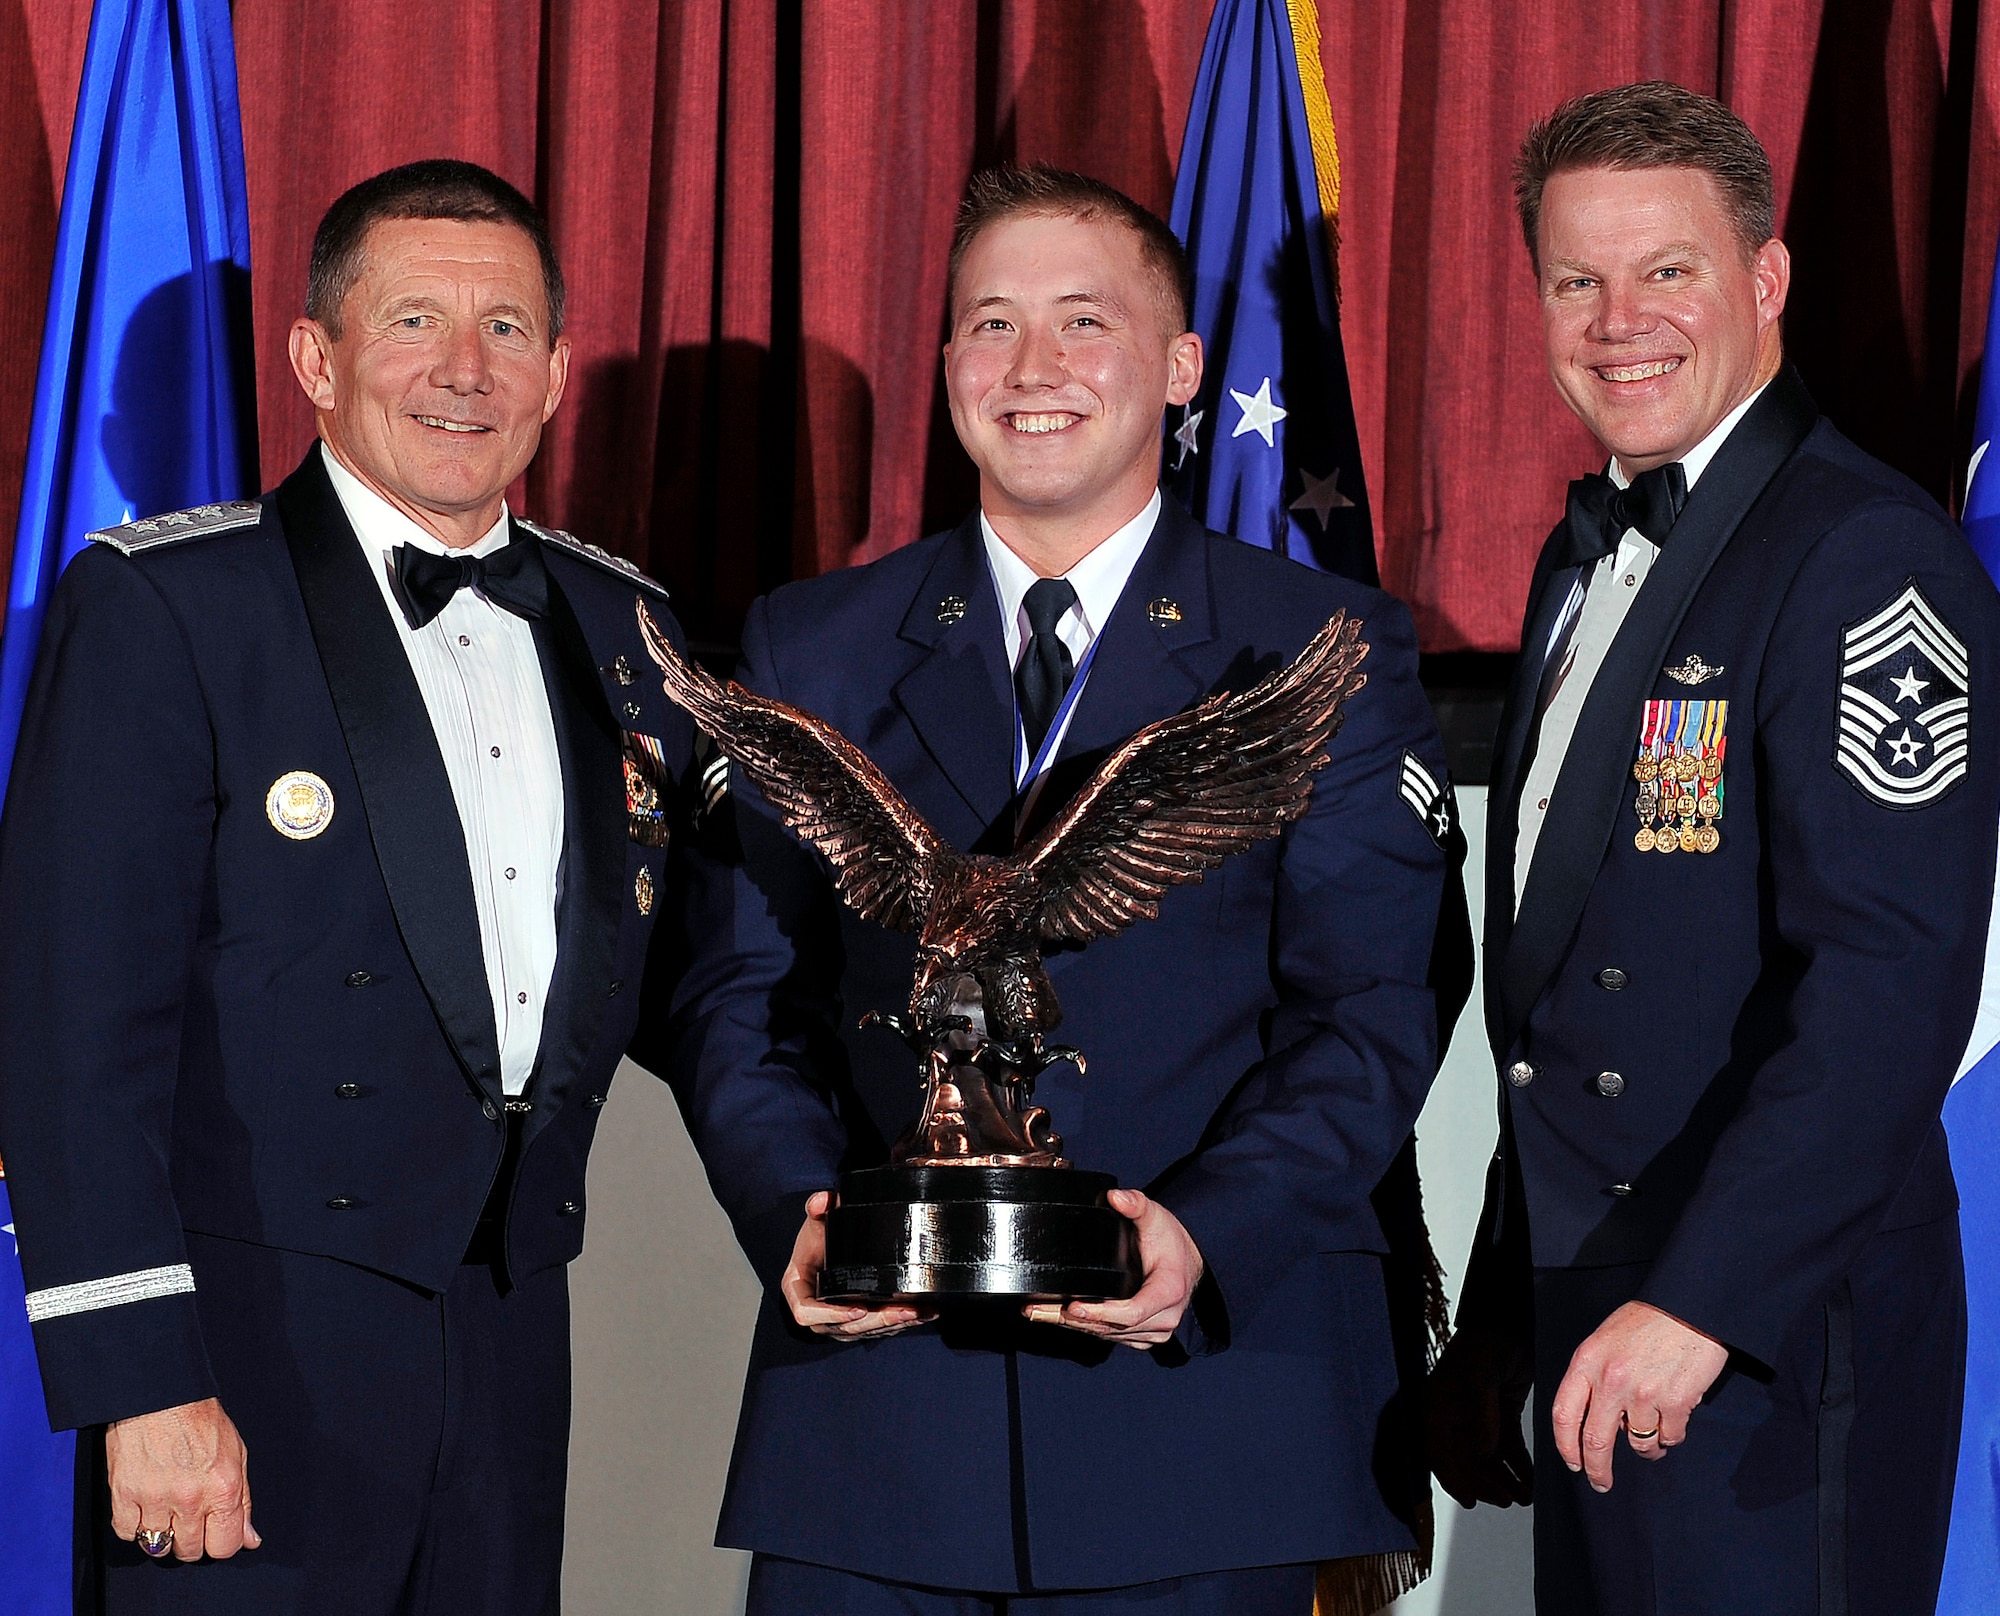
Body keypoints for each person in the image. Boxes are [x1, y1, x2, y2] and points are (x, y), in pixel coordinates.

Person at [652, 164, 1468, 1616]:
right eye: (990, 324)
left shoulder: (1312, 648)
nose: (1033, 370)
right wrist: (802, 1215)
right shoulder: (808, 644)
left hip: (1208, 1422)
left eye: (1083, 323)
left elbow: (1371, 1011)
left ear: (1179, 365)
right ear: (950, 364)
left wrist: (1207, 1230)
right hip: (878, 1435)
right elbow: (737, 998)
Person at [0, 159, 693, 1615]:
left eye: (507, 329)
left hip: (511, 1345)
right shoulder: (168, 608)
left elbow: (697, 978)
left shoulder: (627, 627)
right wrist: (143, 1385)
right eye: (413, 322)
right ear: (317, 359)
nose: (463, 370)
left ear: (561, 372)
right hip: (243, 1358)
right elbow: (72, 1041)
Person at [1427, 81, 2000, 1615]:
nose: (1620, 322)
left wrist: (1702, 1300)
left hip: (1766, 1339)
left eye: (1666, 271)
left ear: (1764, 280)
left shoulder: (1863, 556)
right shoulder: (1578, 559)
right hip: (1596, 1324)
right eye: (1576, 279)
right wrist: (1504, 1316)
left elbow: (1888, 984)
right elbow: (1561, 1005)